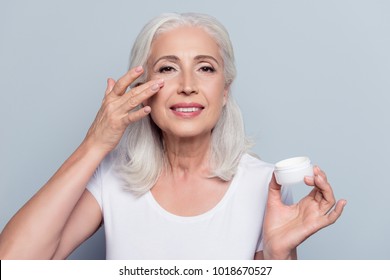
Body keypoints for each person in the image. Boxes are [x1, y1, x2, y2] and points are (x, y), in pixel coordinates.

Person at [0, 12, 346, 260]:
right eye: (167, 67)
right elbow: (13, 264)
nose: (187, 86)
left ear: (225, 90)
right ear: (144, 89)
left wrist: (277, 256)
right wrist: (97, 142)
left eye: (205, 68)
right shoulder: (112, 178)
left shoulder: (264, 185)